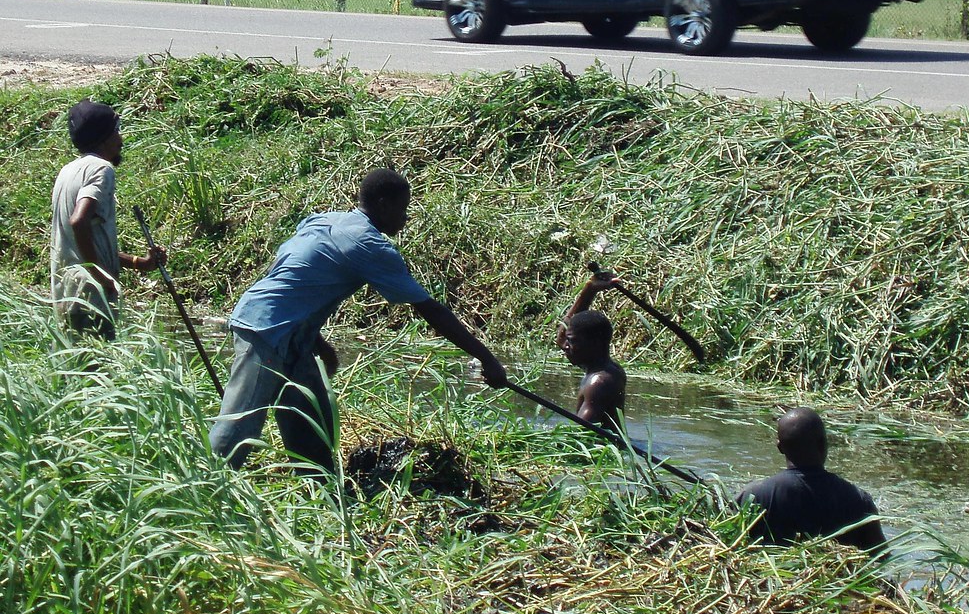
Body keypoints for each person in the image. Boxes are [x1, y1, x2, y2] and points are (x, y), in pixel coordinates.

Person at [209, 168, 508, 478]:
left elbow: (299, 281)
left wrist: (316, 340)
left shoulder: (325, 219)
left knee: (313, 424)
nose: (404, 218)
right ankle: (204, 493)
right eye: (402, 209)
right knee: (240, 424)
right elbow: (431, 311)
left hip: (291, 333)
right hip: (267, 331)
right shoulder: (369, 245)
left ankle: (322, 497)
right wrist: (486, 358)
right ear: (382, 204)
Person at [51, 99, 166, 341]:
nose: (120, 138)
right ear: (104, 138)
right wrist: (102, 278)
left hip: (67, 296)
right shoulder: (102, 169)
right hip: (91, 300)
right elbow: (78, 222)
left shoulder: (67, 171)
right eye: (116, 130)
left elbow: (81, 243)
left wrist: (140, 263)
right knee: (98, 373)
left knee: (76, 375)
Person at [737, 406, 885, 552]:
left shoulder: (752, 498)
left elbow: (728, 547)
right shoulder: (859, 500)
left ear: (780, 447)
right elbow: (881, 560)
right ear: (823, 444)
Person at [556, 272, 627, 430]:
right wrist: (589, 290)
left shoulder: (600, 382)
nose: (565, 345)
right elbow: (563, 336)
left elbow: (581, 432)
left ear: (594, 343)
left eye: (572, 341)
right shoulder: (599, 365)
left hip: (602, 450)